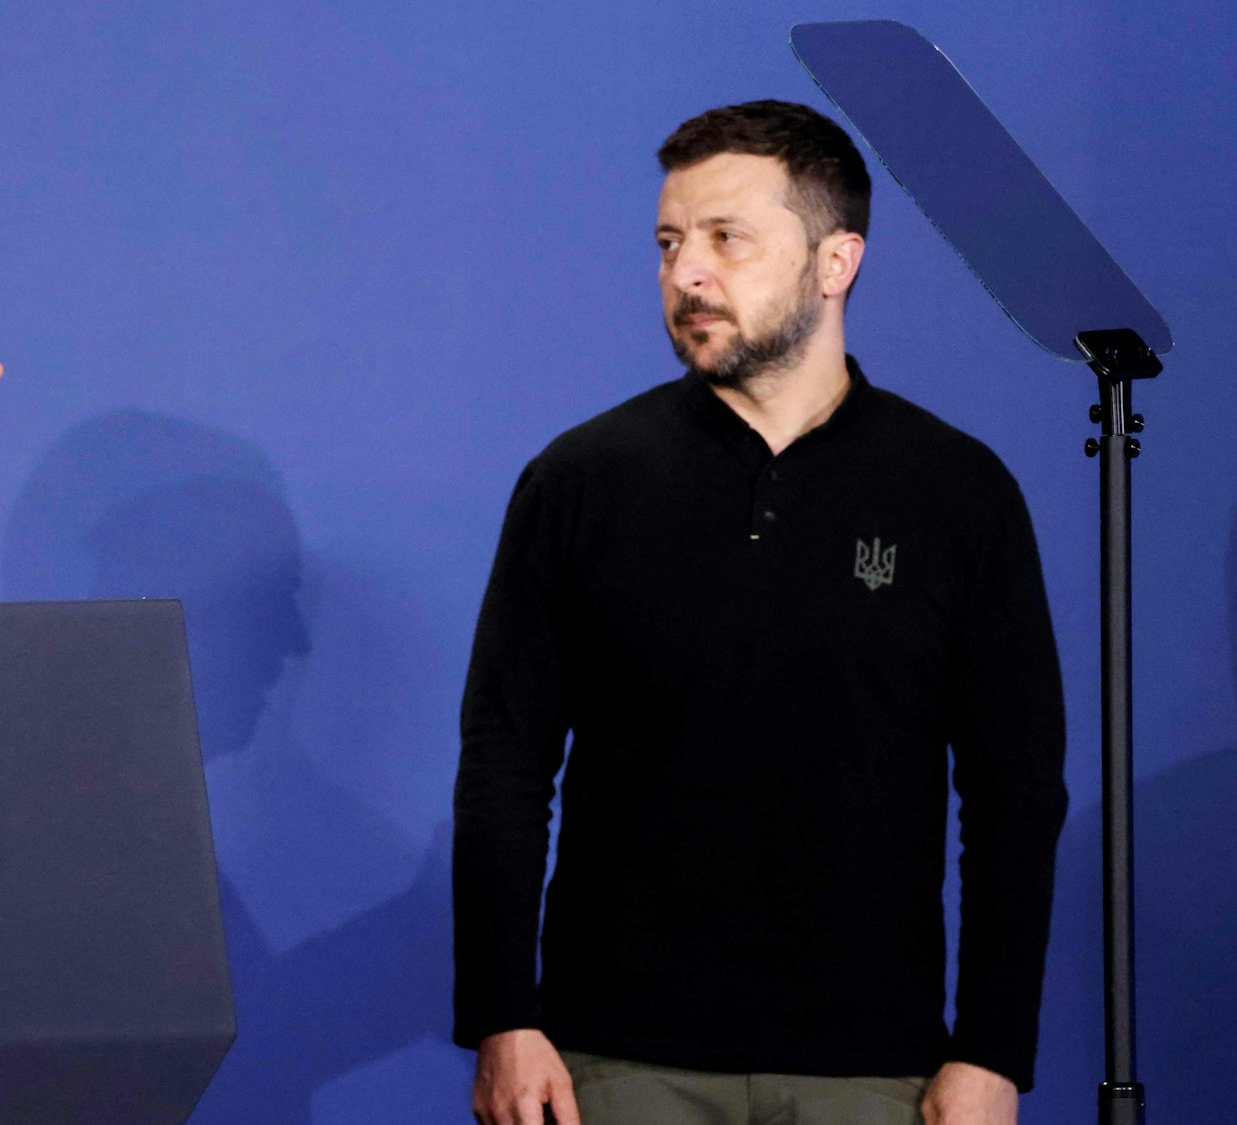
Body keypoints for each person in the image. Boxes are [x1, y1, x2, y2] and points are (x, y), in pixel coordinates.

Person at [453, 100, 1066, 1125]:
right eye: (667, 243)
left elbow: (1012, 791)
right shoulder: (579, 480)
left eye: (725, 238)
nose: (685, 273)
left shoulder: (955, 491)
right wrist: (501, 1020)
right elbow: (504, 763)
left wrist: (993, 1051)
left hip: (876, 1068)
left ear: (835, 263)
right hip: (608, 1060)